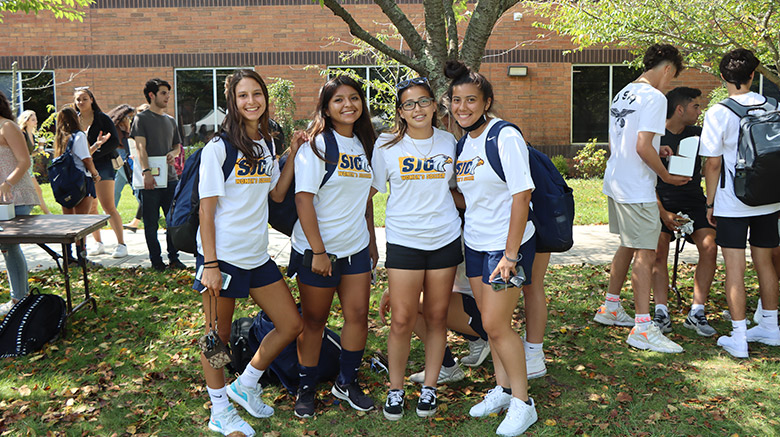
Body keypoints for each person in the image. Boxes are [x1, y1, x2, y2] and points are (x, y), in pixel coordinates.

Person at [194, 69, 304, 437]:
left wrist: (291, 154)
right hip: (221, 258)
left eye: (257, 94)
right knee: (216, 338)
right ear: (232, 101)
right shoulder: (218, 148)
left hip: (257, 255)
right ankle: (220, 409)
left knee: (291, 324)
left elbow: (275, 194)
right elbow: (205, 211)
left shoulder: (267, 143)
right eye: (243, 95)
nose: (251, 101)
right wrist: (209, 264)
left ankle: (246, 383)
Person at [445, 59, 538, 436]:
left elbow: (522, 195)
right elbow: (474, 197)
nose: (462, 107)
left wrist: (511, 255)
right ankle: (501, 389)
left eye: (471, 100)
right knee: (488, 323)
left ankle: (523, 403)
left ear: (486, 102)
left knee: (498, 325)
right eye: (456, 100)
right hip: (477, 244)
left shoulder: (505, 136)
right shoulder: (463, 144)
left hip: (507, 248)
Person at [368, 77, 462, 420]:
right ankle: (395, 390)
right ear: (400, 112)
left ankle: (430, 387)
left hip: (444, 239)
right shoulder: (386, 145)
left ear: (435, 106)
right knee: (402, 319)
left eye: (423, 102)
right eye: (409, 104)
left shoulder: (449, 141)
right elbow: (369, 194)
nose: (418, 109)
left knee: (437, 317)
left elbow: (458, 188)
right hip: (404, 241)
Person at [287, 75, 377, 418]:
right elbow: (302, 200)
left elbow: (365, 199)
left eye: (354, 98)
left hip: (355, 249)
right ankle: (305, 387)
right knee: (314, 321)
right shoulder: (317, 145)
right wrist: (319, 252)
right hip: (317, 252)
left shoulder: (366, 145)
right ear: (326, 107)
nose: (348, 105)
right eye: (339, 100)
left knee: (357, 317)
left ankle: (346, 381)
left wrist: (369, 238)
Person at [593, 44, 689, 354]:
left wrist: (656, 150)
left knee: (629, 244)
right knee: (646, 253)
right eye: (672, 77)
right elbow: (642, 146)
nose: (669, 84)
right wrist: (666, 175)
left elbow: (628, 140)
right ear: (666, 69)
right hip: (637, 188)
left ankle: (610, 307)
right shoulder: (655, 97)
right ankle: (644, 328)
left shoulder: (624, 92)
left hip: (617, 181)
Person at [700, 48, 780, 358]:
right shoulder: (774, 106)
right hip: (769, 199)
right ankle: (771, 326)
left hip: (733, 201)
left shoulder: (720, 112)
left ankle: (739, 336)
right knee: (765, 261)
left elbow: (713, 164)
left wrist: (709, 202)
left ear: (723, 77)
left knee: (734, 266)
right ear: (753, 75)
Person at [650, 87, 719, 336]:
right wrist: (662, 212)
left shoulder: (700, 135)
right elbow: (644, 180)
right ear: (680, 109)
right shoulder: (654, 137)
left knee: (710, 247)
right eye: (696, 106)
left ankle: (697, 312)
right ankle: (661, 312)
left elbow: (715, 165)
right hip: (661, 203)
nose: (700, 111)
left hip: (694, 203)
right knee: (658, 251)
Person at [130, 79, 185, 271]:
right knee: (151, 223)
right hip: (150, 180)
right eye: (163, 93)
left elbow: (177, 146)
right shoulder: (141, 119)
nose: (167, 97)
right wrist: (146, 172)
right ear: (152, 95)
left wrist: (173, 154)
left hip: (170, 179)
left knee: (173, 221)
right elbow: (140, 147)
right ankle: (156, 262)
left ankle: (174, 258)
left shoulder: (170, 120)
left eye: (168, 93)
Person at [73, 87, 127, 258]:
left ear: (91, 100)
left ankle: (121, 244)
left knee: (108, 206)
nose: (81, 102)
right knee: (91, 207)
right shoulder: (75, 120)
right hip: (83, 167)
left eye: (84, 99)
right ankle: (98, 242)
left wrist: (93, 152)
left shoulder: (102, 118)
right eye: (78, 100)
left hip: (103, 165)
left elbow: (114, 142)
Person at [0, 91, 39, 318]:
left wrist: (7, 183)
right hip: (3, 197)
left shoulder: (8, 127)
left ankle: (19, 299)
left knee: (9, 245)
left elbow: (25, 161)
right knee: (6, 247)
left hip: (18, 194)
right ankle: (19, 298)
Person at [53, 106, 100, 259]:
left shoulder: (60, 138)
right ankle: (81, 256)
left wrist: (96, 145)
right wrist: (94, 173)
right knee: (81, 221)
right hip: (81, 181)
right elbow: (86, 158)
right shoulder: (79, 135)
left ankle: (68, 255)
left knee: (68, 220)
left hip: (63, 182)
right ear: (75, 118)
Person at [16, 110, 51, 214]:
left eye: (35, 119)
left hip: (29, 164)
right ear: (26, 121)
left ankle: (39, 212)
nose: (36, 121)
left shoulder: (32, 134)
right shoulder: (22, 134)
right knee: (36, 190)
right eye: (33, 119)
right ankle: (46, 213)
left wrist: (40, 149)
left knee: (34, 190)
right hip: (24, 166)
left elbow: (31, 154)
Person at [123, 103, 150, 233]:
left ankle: (136, 221)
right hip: (137, 165)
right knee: (142, 194)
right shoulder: (136, 128)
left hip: (152, 167)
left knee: (146, 195)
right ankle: (137, 221)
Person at [106, 104, 136, 208]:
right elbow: (125, 141)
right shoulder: (117, 127)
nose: (130, 119)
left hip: (121, 157)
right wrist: (127, 128)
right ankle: (146, 208)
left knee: (118, 186)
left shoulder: (117, 125)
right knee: (134, 184)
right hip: (121, 157)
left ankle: (110, 210)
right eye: (129, 117)